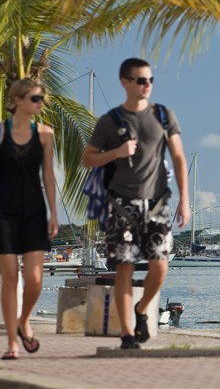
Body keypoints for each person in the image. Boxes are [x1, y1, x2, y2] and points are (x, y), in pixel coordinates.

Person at [83, 58, 189, 349]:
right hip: (121, 204)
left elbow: (179, 158)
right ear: (125, 82)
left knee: (160, 266)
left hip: (157, 203)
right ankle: (128, 334)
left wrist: (185, 201)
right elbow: (88, 157)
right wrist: (115, 152)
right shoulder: (110, 120)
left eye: (150, 80)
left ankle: (141, 309)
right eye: (141, 80)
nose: (147, 86)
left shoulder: (164, 116)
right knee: (125, 269)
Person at [0, 78, 59, 360]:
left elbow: (49, 175)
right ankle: (12, 344)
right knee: (10, 278)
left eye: (41, 98)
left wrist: (54, 213)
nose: (39, 103)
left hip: (34, 211)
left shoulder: (45, 134)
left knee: (35, 279)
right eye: (34, 98)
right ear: (17, 100)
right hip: (2, 212)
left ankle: (24, 321)